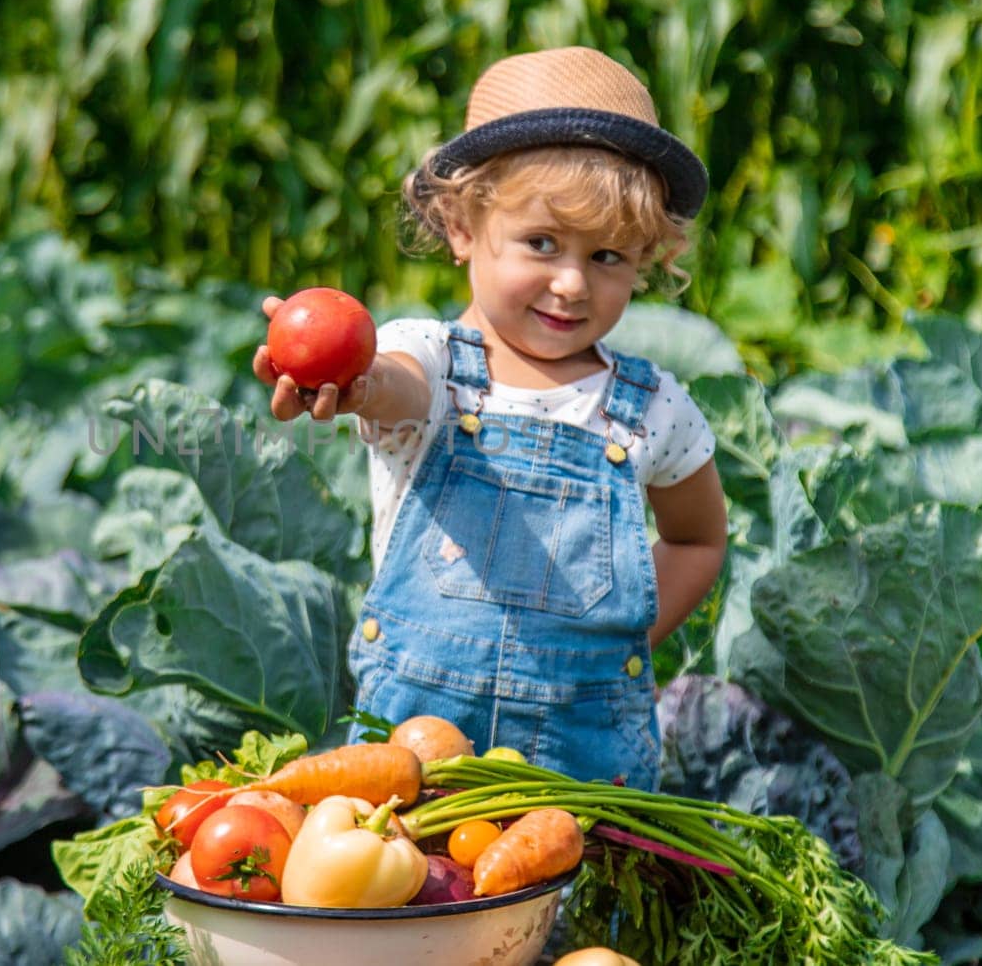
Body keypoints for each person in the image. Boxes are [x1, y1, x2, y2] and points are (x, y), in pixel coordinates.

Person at [253, 46, 727, 789]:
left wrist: (617, 644)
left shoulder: (652, 409)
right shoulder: (435, 363)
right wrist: (350, 378)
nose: (571, 283)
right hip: (414, 763)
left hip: (581, 773)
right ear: (462, 225)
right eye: (541, 243)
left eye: (607, 256)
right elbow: (395, 385)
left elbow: (699, 536)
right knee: (413, 897)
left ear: (647, 257)